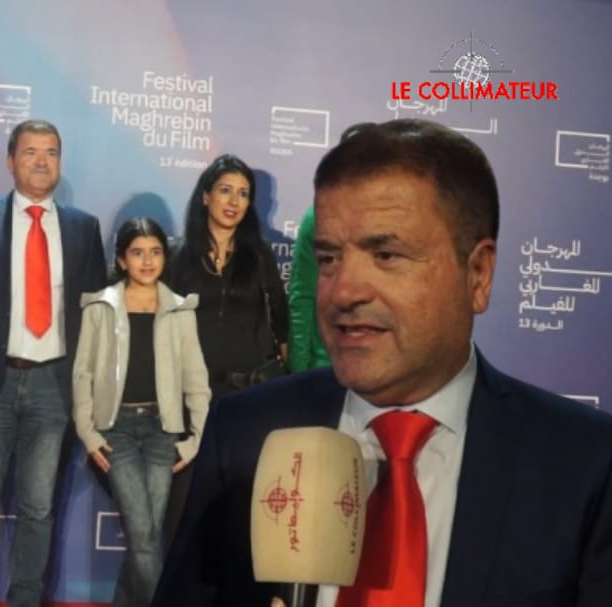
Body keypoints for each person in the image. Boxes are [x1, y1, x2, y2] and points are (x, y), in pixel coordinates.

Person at [151, 119, 612, 607]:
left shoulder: (586, 465)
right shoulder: (244, 435)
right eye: (329, 259)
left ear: (478, 274)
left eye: (387, 255)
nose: (344, 292)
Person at [0, 119, 107, 607]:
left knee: (38, 507)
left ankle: (25, 599)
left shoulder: (83, 228)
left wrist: (90, 388)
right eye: (30, 152)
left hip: (55, 384)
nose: (41, 161)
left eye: (51, 152)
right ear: (10, 161)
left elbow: (97, 314)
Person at [72, 217, 210, 607]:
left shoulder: (181, 310)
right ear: (121, 260)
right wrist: (88, 433)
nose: (147, 262)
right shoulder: (100, 307)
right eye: (137, 253)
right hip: (116, 433)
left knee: (145, 539)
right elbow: (82, 374)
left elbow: (196, 380)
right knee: (144, 539)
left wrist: (195, 441)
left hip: (162, 432)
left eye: (155, 252)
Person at [163, 153, 290, 550]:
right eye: (225, 191)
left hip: (248, 402)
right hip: (190, 405)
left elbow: (282, 327)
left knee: (242, 521)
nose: (234, 201)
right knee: (180, 518)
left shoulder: (260, 256)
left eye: (243, 193)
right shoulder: (178, 257)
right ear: (206, 197)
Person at [286, 205, 331, 372]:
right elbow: (303, 297)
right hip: (324, 369)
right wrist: (298, 371)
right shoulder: (318, 217)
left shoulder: (399, 214)